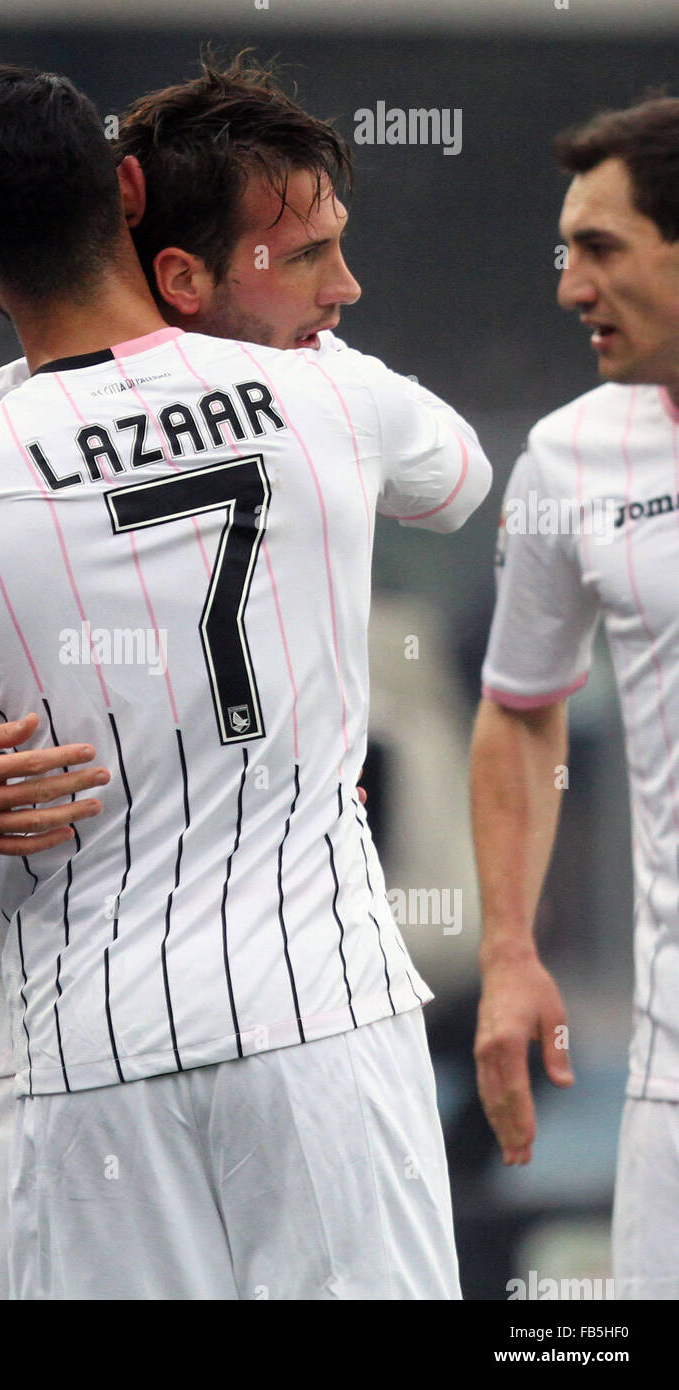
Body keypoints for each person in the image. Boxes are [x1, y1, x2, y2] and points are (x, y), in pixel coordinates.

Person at [0, 62, 491, 1299]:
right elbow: (458, 480)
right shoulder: (322, 388)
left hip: (83, 1047)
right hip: (326, 1014)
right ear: (128, 195)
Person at [472, 96, 679, 1300]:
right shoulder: (566, 457)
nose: (568, 287)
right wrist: (507, 949)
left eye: (599, 249)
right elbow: (519, 705)